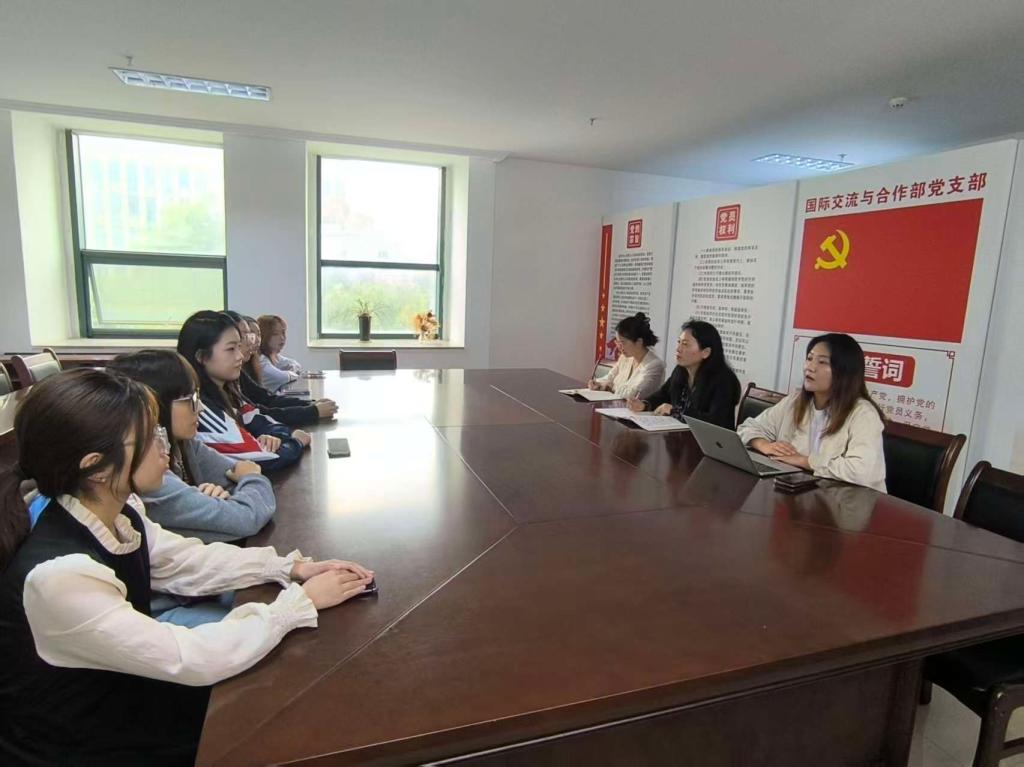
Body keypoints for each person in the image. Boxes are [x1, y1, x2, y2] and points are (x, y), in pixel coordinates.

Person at [0, 368, 373, 764]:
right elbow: (191, 657)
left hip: (124, 700)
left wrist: (288, 569)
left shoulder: (117, 511)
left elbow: (186, 560)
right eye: (149, 438)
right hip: (86, 745)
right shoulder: (59, 576)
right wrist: (297, 605)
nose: (165, 448)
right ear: (97, 467)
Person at [737, 333, 887, 492]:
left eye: (822, 362)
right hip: (803, 491)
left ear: (844, 371)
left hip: (849, 500)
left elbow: (863, 471)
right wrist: (764, 445)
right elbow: (747, 428)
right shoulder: (796, 401)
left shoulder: (863, 413)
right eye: (809, 358)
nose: (810, 367)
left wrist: (805, 461)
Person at [177, 310, 310, 472]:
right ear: (201, 356)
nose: (240, 356)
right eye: (231, 349)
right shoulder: (201, 407)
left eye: (239, 347)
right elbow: (268, 459)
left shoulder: (230, 391)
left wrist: (273, 438)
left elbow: (269, 423)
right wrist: (297, 441)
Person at [223, 312, 338, 427]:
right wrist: (312, 411)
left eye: (252, 336)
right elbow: (260, 414)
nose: (252, 342)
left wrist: (310, 404)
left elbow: (267, 400)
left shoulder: (239, 373)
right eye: (244, 337)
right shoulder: (224, 384)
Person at [628, 319, 741, 429]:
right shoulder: (680, 370)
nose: (678, 349)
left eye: (685, 344)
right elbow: (663, 395)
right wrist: (644, 404)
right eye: (679, 342)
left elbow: (715, 423)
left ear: (705, 352)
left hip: (710, 440)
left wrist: (674, 412)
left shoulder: (723, 380)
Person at [588, 312, 665, 400]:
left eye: (623, 342)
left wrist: (610, 387)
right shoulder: (625, 358)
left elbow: (635, 394)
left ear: (639, 342)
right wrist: (598, 383)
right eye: (618, 342)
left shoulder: (655, 365)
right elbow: (609, 378)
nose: (619, 347)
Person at [258, 314, 303, 394]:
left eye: (283, 332)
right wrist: (291, 373)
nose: (282, 338)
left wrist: (292, 369)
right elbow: (281, 377)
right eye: (275, 334)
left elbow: (296, 365)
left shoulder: (275, 356)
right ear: (264, 336)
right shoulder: (260, 359)